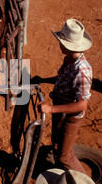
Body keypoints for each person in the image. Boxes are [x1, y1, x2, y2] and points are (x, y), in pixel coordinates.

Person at [38, 18, 93, 174]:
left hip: (71, 116)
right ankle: (61, 172)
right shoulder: (69, 59)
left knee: (65, 157)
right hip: (61, 109)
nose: (59, 44)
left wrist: (51, 109)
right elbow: (63, 79)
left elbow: (82, 104)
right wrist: (43, 79)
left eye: (61, 42)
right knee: (57, 142)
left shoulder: (82, 71)